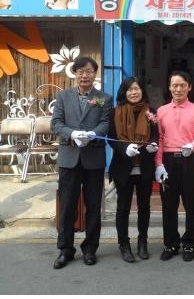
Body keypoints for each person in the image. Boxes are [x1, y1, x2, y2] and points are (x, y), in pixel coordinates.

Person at [51, 56, 112, 269]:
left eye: (89, 71)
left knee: (93, 206)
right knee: (67, 205)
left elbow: (106, 123)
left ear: (95, 74)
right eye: (80, 71)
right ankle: (65, 249)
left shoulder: (104, 98)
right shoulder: (63, 96)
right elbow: (56, 123)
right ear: (75, 74)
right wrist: (72, 133)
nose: (84, 75)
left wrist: (92, 134)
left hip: (93, 158)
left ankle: (90, 248)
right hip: (69, 158)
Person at [154, 70, 194, 262]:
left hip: (189, 159)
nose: (178, 89)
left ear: (189, 87)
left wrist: (192, 146)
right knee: (169, 205)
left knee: (191, 204)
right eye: (174, 85)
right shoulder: (161, 111)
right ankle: (171, 243)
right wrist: (158, 164)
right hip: (168, 161)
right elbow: (159, 139)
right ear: (169, 87)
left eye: (182, 85)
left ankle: (189, 243)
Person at [108, 77, 159, 263]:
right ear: (124, 92)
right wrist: (124, 148)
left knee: (144, 207)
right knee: (123, 207)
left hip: (144, 166)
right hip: (123, 166)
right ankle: (124, 244)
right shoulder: (115, 112)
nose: (134, 92)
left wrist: (153, 144)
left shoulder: (151, 111)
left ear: (142, 91)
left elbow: (156, 135)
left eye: (137, 89)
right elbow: (111, 137)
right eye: (130, 89)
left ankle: (142, 242)